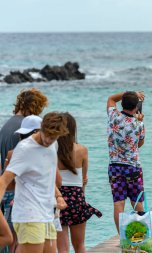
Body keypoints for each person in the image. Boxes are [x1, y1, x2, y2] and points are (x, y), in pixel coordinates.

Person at [0, 112, 68, 253]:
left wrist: (58, 196)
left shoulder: (53, 145)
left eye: (54, 137)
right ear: (41, 128)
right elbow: (5, 179)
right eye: (48, 135)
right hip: (28, 213)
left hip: (47, 213)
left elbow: (46, 177)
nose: (49, 140)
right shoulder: (25, 149)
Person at [0, 88, 48, 253]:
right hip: (20, 191)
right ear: (35, 106)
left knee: (8, 241)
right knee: (20, 241)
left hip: (5, 187)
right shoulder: (27, 128)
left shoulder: (6, 125)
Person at [56, 112, 102, 253]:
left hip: (58, 197)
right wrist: (82, 196)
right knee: (80, 246)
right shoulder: (82, 150)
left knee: (62, 249)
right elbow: (84, 179)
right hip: (76, 197)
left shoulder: (52, 150)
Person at [107, 91, 145, 233]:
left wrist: (132, 92)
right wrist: (140, 122)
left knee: (118, 203)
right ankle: (141, 236)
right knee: (137, 201)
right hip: (133, 167)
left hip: (115, 166)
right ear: (136, 107)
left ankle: (122, 237)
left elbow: (111, 98)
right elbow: (139, 144)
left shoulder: (113, 116)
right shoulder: (138, 124)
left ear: (122, 103)